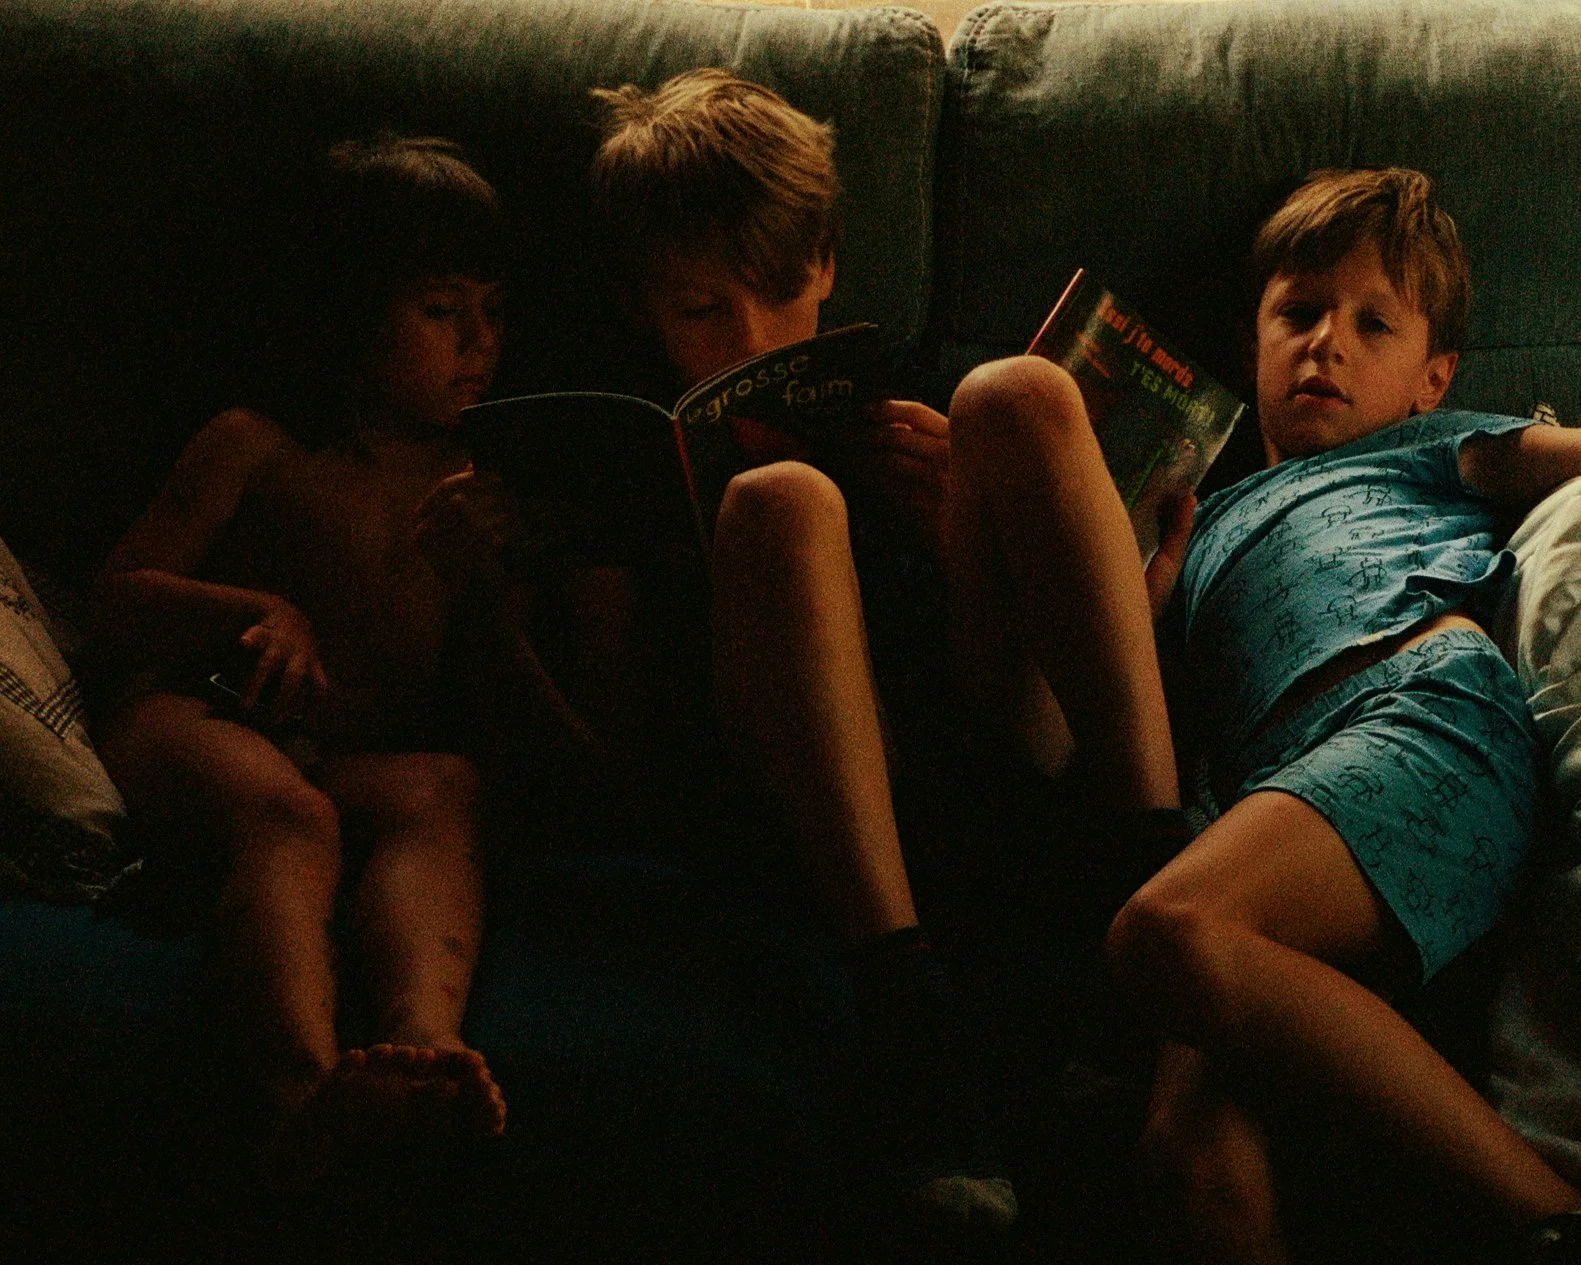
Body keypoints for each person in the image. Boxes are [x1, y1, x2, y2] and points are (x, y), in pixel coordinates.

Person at [958, 165, 1581, 1261]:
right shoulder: (1193, 512)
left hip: (1420, 721)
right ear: (1252, 341)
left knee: (1166, 932)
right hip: (1266, 811)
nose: (1325, 342)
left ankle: (1546, 1212)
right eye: (1297, 313)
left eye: (1371, 324)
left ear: (1434, 375)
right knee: (1189, 1161)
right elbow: (1054, 739)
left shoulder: (1443, 444)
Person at [86, 136, 576, 1190]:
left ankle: (420, 1038)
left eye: (494, 308)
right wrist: (258, 609)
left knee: (444, 785)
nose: (479, 341)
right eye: (441, 310)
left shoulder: (476, 483)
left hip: (353, 750)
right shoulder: (257, 442)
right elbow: (116, 598)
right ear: (351, 314)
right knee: (289, 816)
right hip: (194, 718)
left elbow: (499, 711)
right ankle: (295, 1093)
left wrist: (490, 589)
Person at [589, 68, 1022, 1233]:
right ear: (643, 308)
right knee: (781, 501)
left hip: (952, 756)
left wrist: (954, 524)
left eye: (778, 291)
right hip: (756, 800)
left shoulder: (914, 409)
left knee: (1010, 404)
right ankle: (902, 996)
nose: (749, 339)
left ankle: (1117, 865)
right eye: (699, 310)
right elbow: (610, 756)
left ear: (827, 262)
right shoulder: (625, 459)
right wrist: (487, 600)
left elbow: (1021, 697)